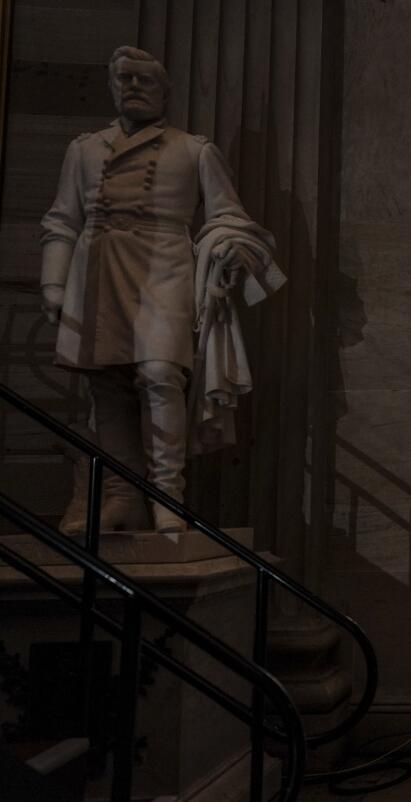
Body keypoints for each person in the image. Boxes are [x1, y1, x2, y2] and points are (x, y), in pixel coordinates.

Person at [39, 46, 281, 533]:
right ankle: (122, 494)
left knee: (159, 373)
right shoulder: (83, 150)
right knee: (106, 384)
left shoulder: (193, 150)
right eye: (124, 79)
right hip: (98, 273)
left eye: (144, 80)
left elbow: (227, 213)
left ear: (164, 90)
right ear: (111, 86)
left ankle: (167, 495)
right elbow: (62, 220)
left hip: (163, 270)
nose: (132, 87)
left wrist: (230, 245)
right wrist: (53, 279)